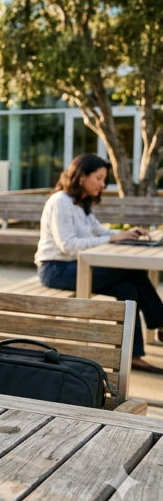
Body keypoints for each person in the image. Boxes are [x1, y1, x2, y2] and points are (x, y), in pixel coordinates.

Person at [36, 154, 163, 373]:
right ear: (81, 176)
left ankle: (132, 355)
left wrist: (125, 234)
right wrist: (112, 239)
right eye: (99, 178)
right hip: (55, 269)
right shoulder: (60, 202)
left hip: (76, 266)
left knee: (128, 287)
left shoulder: (81, 203)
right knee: (132, 273)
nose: (103, 184)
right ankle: (161, 322)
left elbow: (101, 232)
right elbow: (68, 246)